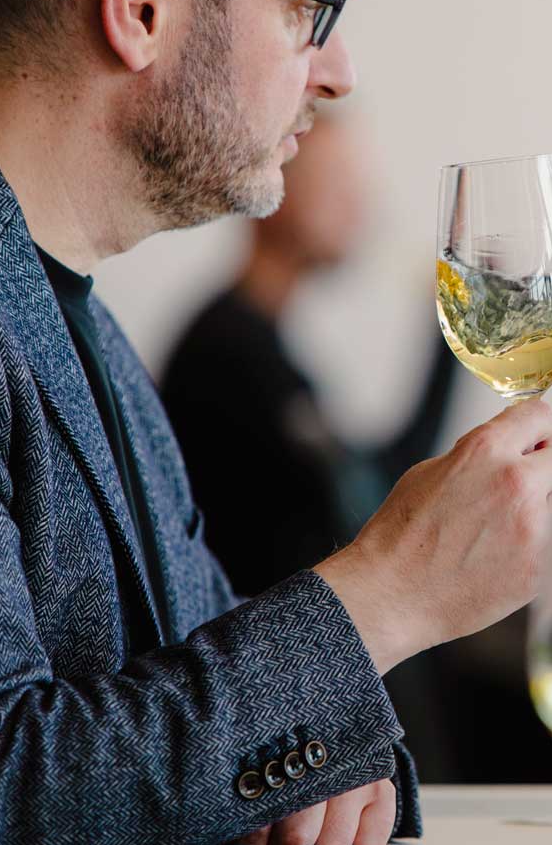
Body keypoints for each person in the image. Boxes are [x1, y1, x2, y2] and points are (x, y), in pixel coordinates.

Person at [0, 0, 552, 843]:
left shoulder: (81, 329)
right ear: (143, 10)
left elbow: (202, 691)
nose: (338, 73)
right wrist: (386, 594)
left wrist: (320, 771)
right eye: (311, 14)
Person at [161, 118, 458, 596]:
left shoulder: (258, 338)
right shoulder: (229, 357)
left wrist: (449, 335)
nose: (361, 208)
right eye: (336, 183)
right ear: (272, 181)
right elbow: (375, 503)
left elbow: (370, 481)